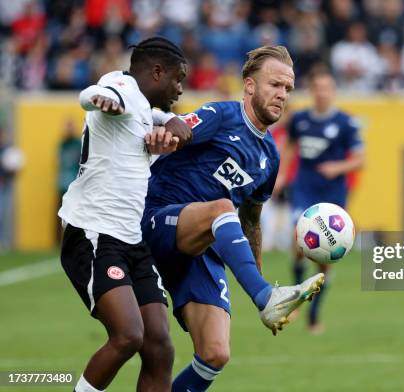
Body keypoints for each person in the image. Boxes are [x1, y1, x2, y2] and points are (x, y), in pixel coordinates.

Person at [141, 45, 325, 392]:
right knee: (222, 207)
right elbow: (184, 130)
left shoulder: (269, 157)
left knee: (215, 354)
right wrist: (166, 135)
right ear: (250, 86)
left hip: (203, 245)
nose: (282, 94)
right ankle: (265, 296)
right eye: (275, 85)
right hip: (158, 219)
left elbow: (252, 220)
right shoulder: (222, 115)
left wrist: (256, 276)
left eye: (288, 88)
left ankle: (264, 298)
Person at [58, 36, 192, 392]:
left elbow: (154, 116)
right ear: (157, 71)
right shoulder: (122, 86)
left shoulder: (146, 108)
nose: (180, 88)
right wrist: (102, 100)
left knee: (159, 346)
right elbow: (93, 94)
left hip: (131, 241)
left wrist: (171, 119)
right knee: (128, 336)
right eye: (178, 79)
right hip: (93, 235)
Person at [276, 68, 364, 334]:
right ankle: (297, 299)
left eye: (327, 88)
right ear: (312, 90)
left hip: (333, 197)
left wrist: (337, 168)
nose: (323, 93)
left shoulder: (346, 123)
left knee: (324, 261)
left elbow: (360, 160)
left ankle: (314, 314)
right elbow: (290, 147)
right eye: (318, 88)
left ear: (333, 91)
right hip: (304, 190)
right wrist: (281, 176)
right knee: (298, 242)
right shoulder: (300, 119)